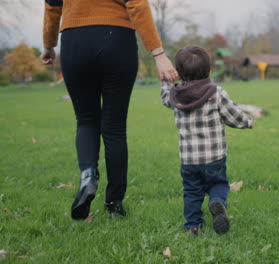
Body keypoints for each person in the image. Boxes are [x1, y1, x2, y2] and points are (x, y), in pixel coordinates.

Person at [41, 0, 178, 220]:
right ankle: (114, 204)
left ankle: (88, 175)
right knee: (114, 128)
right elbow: (137, 4)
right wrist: (158, 54)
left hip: (75, 41)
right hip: (118, 40)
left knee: (86, 120)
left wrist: (48, 45)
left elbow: (52, 6)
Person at [160, 46, 253, 235]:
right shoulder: (216, 92)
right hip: (214, 158)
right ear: (209, 70)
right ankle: (216, 202)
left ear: (178, 73)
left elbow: (164, 96)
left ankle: (193, 226)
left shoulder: (175, 94)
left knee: (192, 193)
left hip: (189, 161)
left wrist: (165, 80)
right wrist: (248, 121)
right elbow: (234, 116)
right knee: (218, 184)